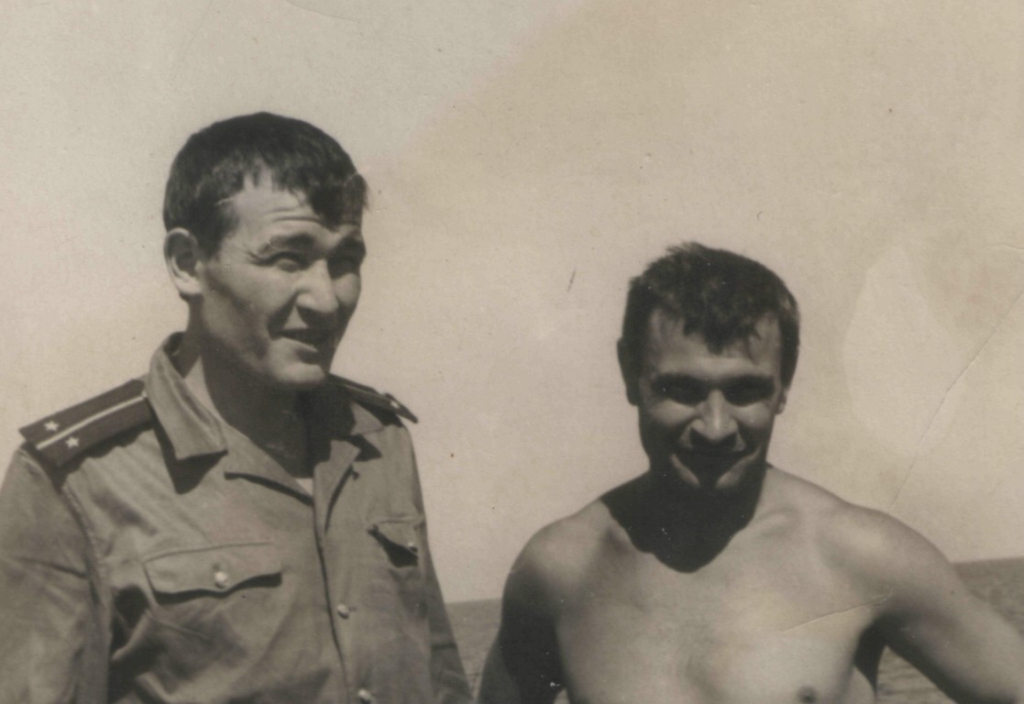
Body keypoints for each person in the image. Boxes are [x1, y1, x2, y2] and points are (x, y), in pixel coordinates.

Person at [0, 112, 472, 704]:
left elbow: (442, 680)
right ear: (187, 264)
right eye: (288, 259)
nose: (327, 300)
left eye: (345, 260)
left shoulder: (379, 440)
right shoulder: (74, 481)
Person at [479, 243, 1024, 704]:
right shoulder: (561, 570)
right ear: (629, 373)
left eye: (745, 391)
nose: (716, 427)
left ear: (784, 384)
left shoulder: (860, 556)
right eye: (682, 389)